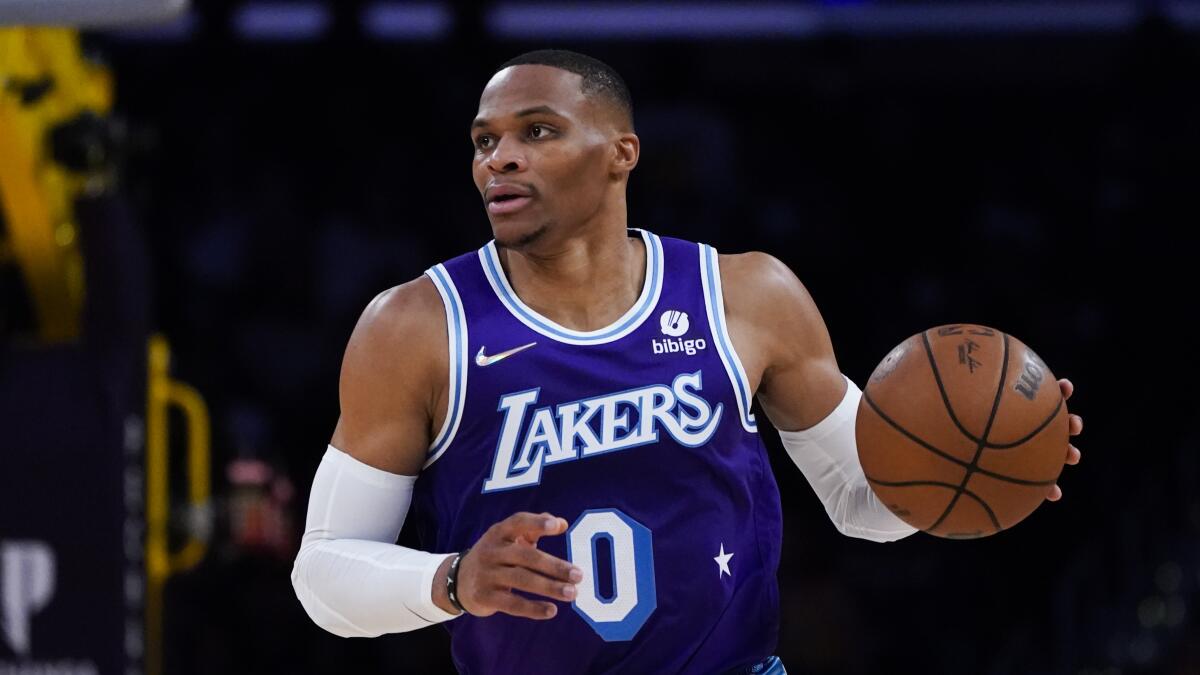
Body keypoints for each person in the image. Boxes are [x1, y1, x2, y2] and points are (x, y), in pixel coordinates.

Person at [290, 49, 1083, 675]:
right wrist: (453, 580)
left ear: (621, 152)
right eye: (484, 140)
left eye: (536, 131)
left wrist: (965, 472)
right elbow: (322, 572)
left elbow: (862, 502)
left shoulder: (746, 294)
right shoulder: (417, 325)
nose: (499, 157)